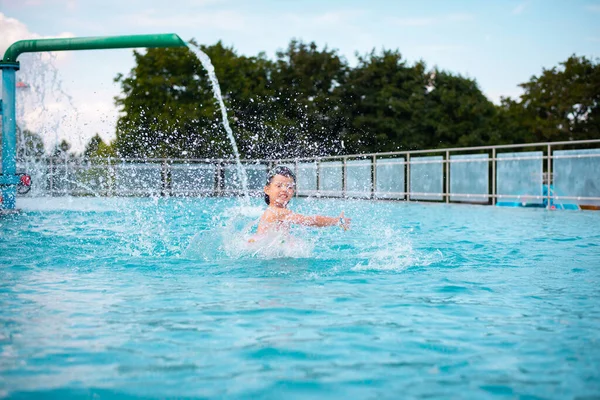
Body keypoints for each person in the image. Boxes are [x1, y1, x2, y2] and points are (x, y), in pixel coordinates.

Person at [253, 166, 351, 238]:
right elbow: (309, 220)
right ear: (267, 189)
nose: (284, 190)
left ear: (293, 192)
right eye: (279, 186)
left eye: (289, 187)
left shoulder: (274, 211)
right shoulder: (278, 212)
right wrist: (337, 221)